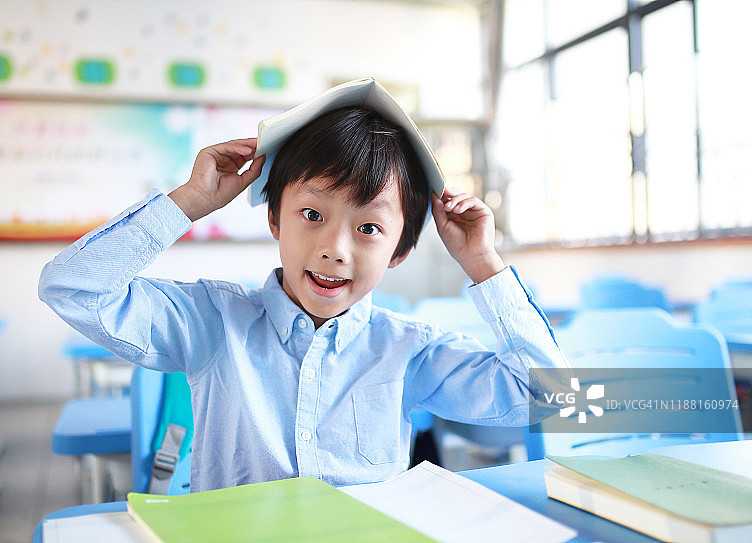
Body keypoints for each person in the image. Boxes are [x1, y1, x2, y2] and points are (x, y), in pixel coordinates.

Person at [39, 94, 568, 493]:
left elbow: (551, 400)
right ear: (274, 219)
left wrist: (482, 264)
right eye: (312, 215)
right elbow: (72, 289)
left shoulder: (409, 349)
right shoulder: (212, 320)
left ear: (400, 252)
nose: (335, 248)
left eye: (368, 229)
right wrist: (189, 203)